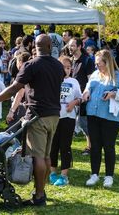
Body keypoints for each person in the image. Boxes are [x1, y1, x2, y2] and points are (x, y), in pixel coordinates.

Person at [0, 34, 64, 206]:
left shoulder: (31, 65)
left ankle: (39, 196)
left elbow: (13, 88)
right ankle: (41, 191)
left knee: (38, 157)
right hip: (54, 114)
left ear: (34, 47)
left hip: (37, 115)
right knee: (46, 156)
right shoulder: (58, 65)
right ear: (49, 47)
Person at [83, 49, 119, 188]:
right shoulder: (95, 75)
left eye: (99, 64)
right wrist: (86, 93)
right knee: (95, 146)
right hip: (93, 114)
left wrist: (113, 94)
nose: (97, 66)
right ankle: (94, 174)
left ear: (108, 63)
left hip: (110, 118)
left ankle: (109, 176)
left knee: (108, 146)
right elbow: (88, 87)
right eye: (96, 64)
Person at [49, 56, 82, 186]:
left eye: (68, 68)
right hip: (54, 117)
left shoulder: (74, 82)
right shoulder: (52, 80)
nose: (66, 70)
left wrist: (74, 102)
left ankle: (64, 175)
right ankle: (52, 172)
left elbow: (80, 98)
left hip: (68, 118)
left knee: (65, 146)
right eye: (63, 67)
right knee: (53, 145)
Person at [68, 38, 95, 155]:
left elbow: (91, 80)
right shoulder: (70, 61)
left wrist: (86, 95)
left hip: (83, 98)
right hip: (70, 98)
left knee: (84, 123)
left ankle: (91, 147)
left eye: (73, 45)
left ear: (79, 47)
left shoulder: (87, 61)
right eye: (69, 45)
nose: (70, 47)